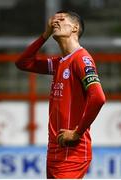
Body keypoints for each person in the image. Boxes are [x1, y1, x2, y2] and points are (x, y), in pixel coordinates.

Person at [15, 10, 106, 179]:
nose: (55, 22)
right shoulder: (59, 63)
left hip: (72, 151)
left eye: (62, 19)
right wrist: (45, 35)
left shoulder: (81, 59)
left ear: (75, 28)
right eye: (54, 20)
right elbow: (23, 63)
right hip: (55, 148)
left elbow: (98, 97)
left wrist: (77, 133)